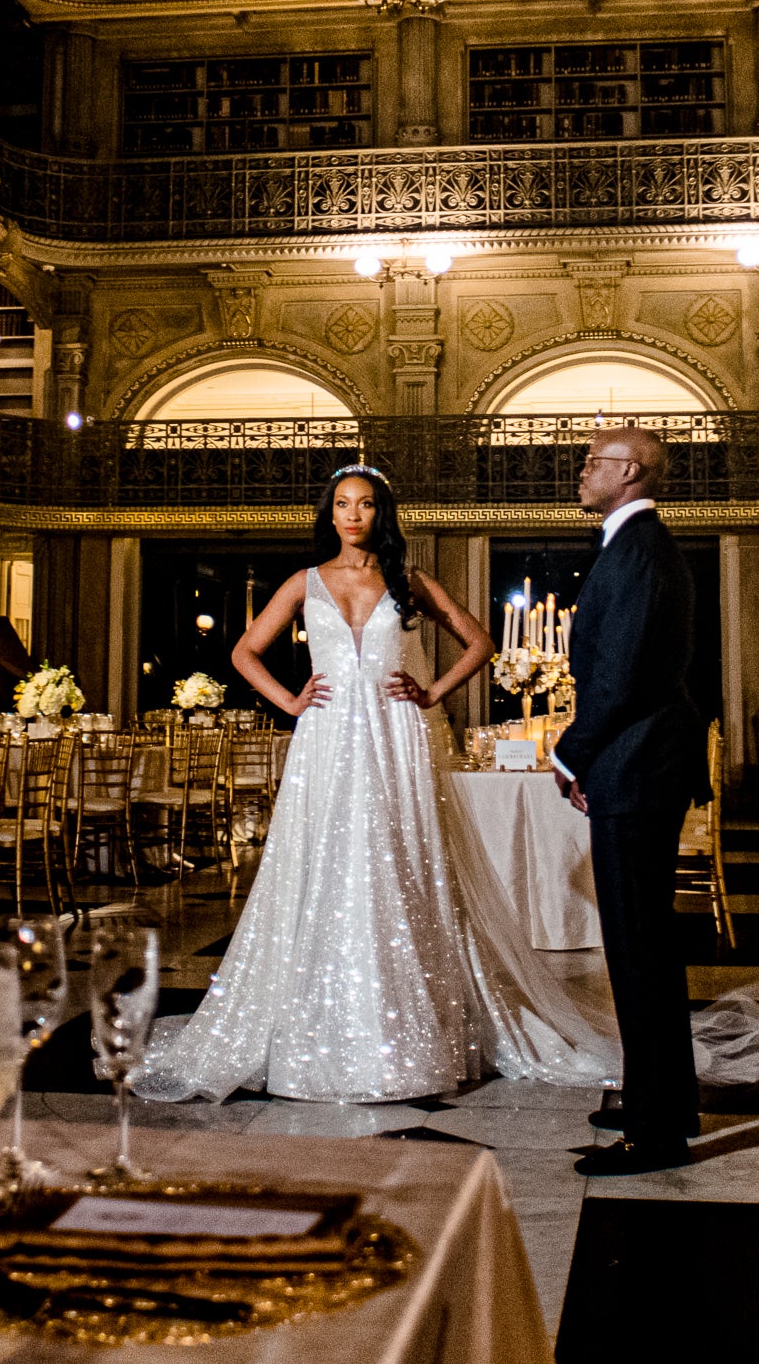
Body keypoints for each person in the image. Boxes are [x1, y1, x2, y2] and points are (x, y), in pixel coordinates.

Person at [132, 463, 622, 1103]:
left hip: (398, 732)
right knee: (326, 861)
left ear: (380, 514)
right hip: (329, 735)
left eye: (364, 504)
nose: (353, 514)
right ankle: (326, 1021)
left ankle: (414, 1023)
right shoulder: (305, 582)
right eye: (342, 504)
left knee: (402, 858)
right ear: (329, 514)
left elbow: (478, 642)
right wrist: (289, 700)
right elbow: (243, 652)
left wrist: (433, 692)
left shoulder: (408, 581)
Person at [550, 423, 708, 1174]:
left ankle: (659, 1129)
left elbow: (621, 678)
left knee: (640, 949)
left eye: (593, 462)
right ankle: (665, 1098)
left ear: (633, 471)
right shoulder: (630, 545)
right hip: (635, 764)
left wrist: (568, 751)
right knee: (640, 946)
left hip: (639, 765)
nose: (582, 472)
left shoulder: (640, 551)